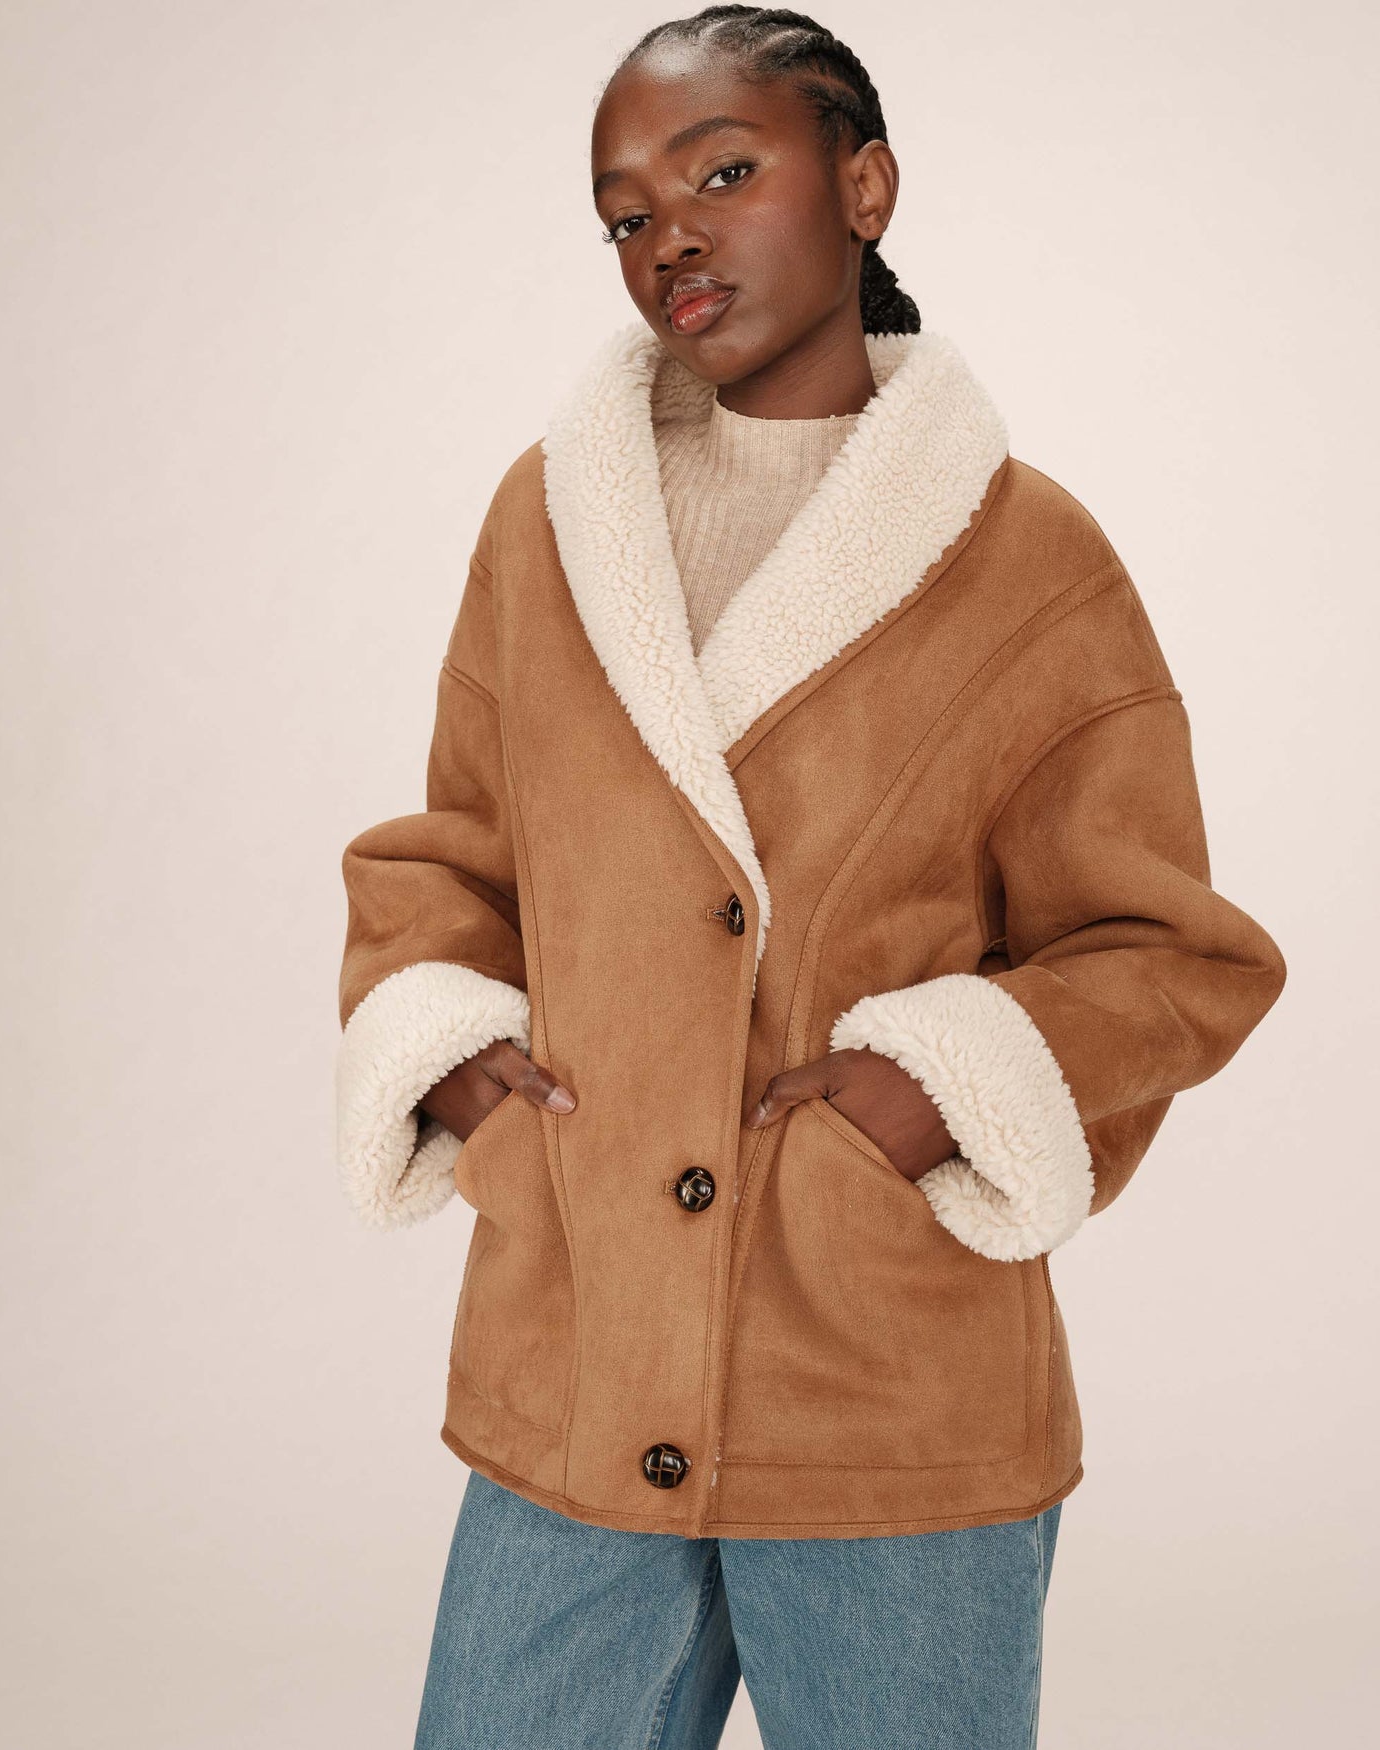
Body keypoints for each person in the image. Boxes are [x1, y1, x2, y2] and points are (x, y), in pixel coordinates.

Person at [333, 8, 1288, 1746]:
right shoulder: (547, 525)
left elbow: (1168, 951)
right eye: (626, 213)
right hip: (580, 1364)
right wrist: (459, 1062)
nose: (669, 236)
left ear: (865, 187)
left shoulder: (1027, 556)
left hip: (888, 1386)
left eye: (722, 172)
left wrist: (930, 1090)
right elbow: (452, 856)